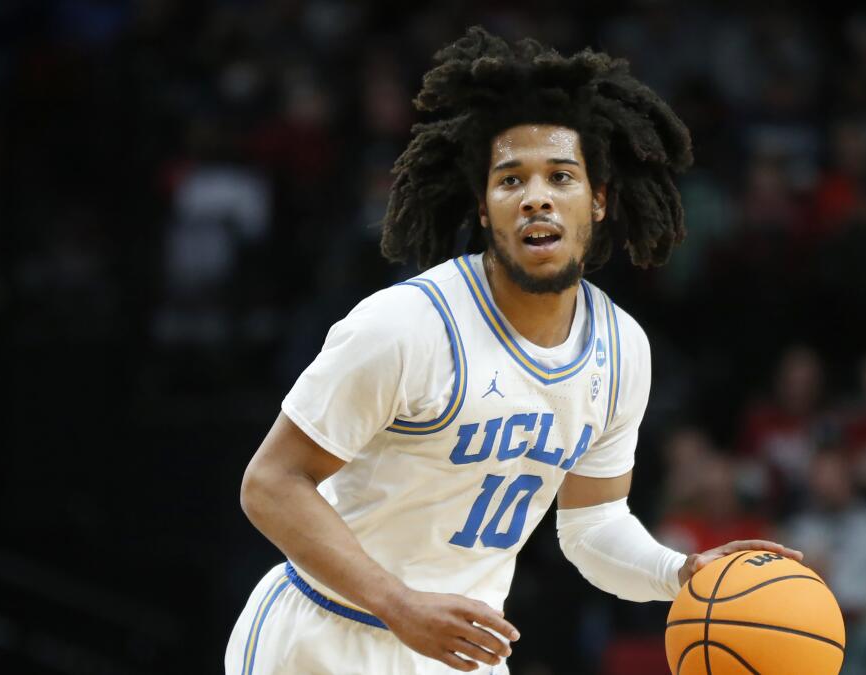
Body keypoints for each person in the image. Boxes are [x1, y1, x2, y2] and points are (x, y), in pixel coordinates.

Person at [224, 27, 799, 675]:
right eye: (510, 179)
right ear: (484, 204)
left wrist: (680, 572)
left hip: (458, 652)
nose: (536, 196)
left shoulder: (621, 349)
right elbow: (270, 483)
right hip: (324, 637)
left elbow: (592, 526)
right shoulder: (407, 325)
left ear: (600, 199)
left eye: (561, 175)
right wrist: (398, 603)